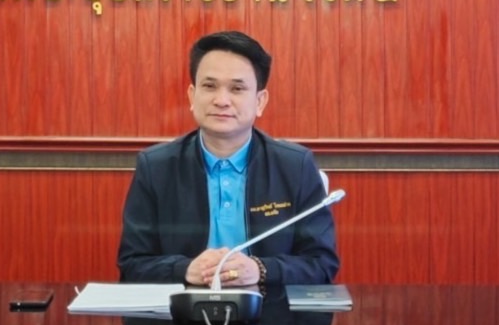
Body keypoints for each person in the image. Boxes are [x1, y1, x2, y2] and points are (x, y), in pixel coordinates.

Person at [117, 30, 339, 287]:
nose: (221, 100)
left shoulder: (295, 166)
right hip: (182, 307)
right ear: (192, 96)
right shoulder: (155, 167)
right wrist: (184, 269)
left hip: (267, 307)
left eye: (237, 88)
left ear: (260, 101)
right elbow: (132, 263)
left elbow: (322, 263)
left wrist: (260, 269)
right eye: (210, 86)